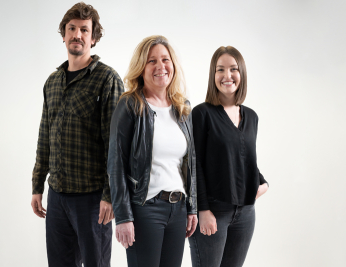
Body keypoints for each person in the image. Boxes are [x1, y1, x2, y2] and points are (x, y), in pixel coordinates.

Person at [30, 2, 124, 266]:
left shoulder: (108, 80)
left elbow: (116, 146)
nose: (77, 34)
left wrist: (110, 195)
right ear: (63, 35)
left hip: (92, 199)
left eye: (84, 29)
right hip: (57, 197)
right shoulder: (53, 82)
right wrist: (37, 186)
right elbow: (44, 136)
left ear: (93, 38)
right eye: (71, 28)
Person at [107, 35, 198, 267]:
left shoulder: (182, 108)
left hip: (177, 210)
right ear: (141, 68)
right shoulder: (130, 105)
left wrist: (192, 208)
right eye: (152, 61)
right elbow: (116, 163)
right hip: (145, 209)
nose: (160, 66)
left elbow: (191, 163)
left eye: (165, 59)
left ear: (173, 65)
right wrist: (124, 217)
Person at [189, 46, 269, 267]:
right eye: (220, 69)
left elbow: (244, 159)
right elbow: (194, 164)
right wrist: (202, 210)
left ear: (241, 73)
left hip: (245, 214)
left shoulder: (251, 117)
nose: (227, 75)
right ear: (212, 75)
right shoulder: (201, 113)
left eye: (233, 69)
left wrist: (263, 183)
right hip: (214, 211)